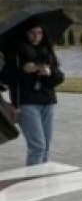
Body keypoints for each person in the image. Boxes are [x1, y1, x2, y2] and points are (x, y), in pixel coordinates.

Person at [2, 24, 64, 166]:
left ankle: (41, 180)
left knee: (46, 148)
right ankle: (32, 183)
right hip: (27, 103)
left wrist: (50, 73)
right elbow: (5, 79)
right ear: (25, 33)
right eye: (32, 33)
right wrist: (23, 70)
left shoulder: (47, 52)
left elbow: (59, 78)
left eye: (39, 33)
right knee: (38, 147)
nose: (36, 36)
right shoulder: (14, 53)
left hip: (48, 102)